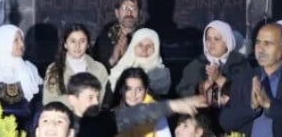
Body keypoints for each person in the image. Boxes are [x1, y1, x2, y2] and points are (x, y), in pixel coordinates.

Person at [219, 23, 282, 136]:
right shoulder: (245, 77)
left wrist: (270, 105)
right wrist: (252, 108)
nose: (260, 49)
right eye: (258, 42)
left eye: (267, 43)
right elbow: (225, 121)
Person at [61, 73, 204, 137]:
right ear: (73, 99)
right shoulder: (58, 124)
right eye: (90, 98)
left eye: (97, 97)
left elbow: (137, 114)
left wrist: (174, 105)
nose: (96, 102)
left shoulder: (103, 121)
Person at [0, 24, 44, 128]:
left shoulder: (30, 68)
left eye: (22, 39)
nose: (21, 44)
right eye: (16, 40)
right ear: (3, 43)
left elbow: (39, 101)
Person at [177, 20, 249, 99]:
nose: (211, 43)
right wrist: (201, 88)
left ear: (227, 41)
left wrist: (219, 79)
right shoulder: (196, 64)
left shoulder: (241, 62)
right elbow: (182, 91)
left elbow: (247, 92)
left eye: (216, 39)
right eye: (208, 39)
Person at [42, 24, 109, 105]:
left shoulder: (99, 69)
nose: (77, 46)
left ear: (88, 44)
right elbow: (48, 101)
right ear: (65, 44)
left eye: (82, 41)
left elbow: (100, 101)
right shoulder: (54, 68)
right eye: (73, 41)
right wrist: (78, 99)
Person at [107, 28, 171, 98]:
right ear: (133, 47)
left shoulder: (161, 74)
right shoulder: (119, 68)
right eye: (140, 45)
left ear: (156, 49)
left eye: (149, 46)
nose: (144, 50)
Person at [111, 68, 171, 137]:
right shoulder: (113, 113)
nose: (133, 94)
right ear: (121, 90)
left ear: (146, 91)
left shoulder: (157, 112)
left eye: (139, 89)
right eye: (128, 89)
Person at [94, 0, 143, 68]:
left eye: (133, 9)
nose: (129, 13)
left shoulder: (146, 37)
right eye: (124, 8)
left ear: (139, 13)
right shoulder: (104, 39)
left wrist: (126, 53)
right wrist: (113, 59)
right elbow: (96, 69)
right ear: (117, 13)